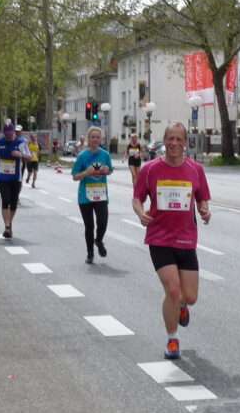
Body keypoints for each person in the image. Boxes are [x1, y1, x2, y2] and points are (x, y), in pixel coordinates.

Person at [132, 123, 211, 361]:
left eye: (179, 139)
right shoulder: (150, 169)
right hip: (160, 238)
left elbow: (202, 199)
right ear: (164, 141)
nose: (174, 143)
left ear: (185, 142)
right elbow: (137, 198)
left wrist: (205, 211)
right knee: (173, 291)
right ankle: (172, 339)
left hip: (186, 239)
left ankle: (182, 307)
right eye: (170, 139)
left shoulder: (195, 170)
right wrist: (140, 212)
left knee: (190, 296)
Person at [72, 127, 113, 263]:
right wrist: (86, 173)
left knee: (103, 221)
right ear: (88, 139)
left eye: (97, 137)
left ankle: (99, 240)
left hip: (101, 194)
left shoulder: (105, 155)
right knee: (89, 226)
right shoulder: (82, 156)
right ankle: (90, 253)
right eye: (92, 137)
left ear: (100, 139)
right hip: (85, 196)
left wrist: (107, 171)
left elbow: (109, 170)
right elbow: (75, 176)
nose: (95, 139)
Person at [0, 123, 31, 239]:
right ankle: (7, 227)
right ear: (4, 133)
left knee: (13, 203)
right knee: (5, 200)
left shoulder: (21, 143)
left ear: (13, 132)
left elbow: (29, 157)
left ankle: (9, 222)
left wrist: (20, 154)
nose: (8, 137)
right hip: (2, 177)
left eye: (10, 134)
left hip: (15, 177)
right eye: (6, 134)